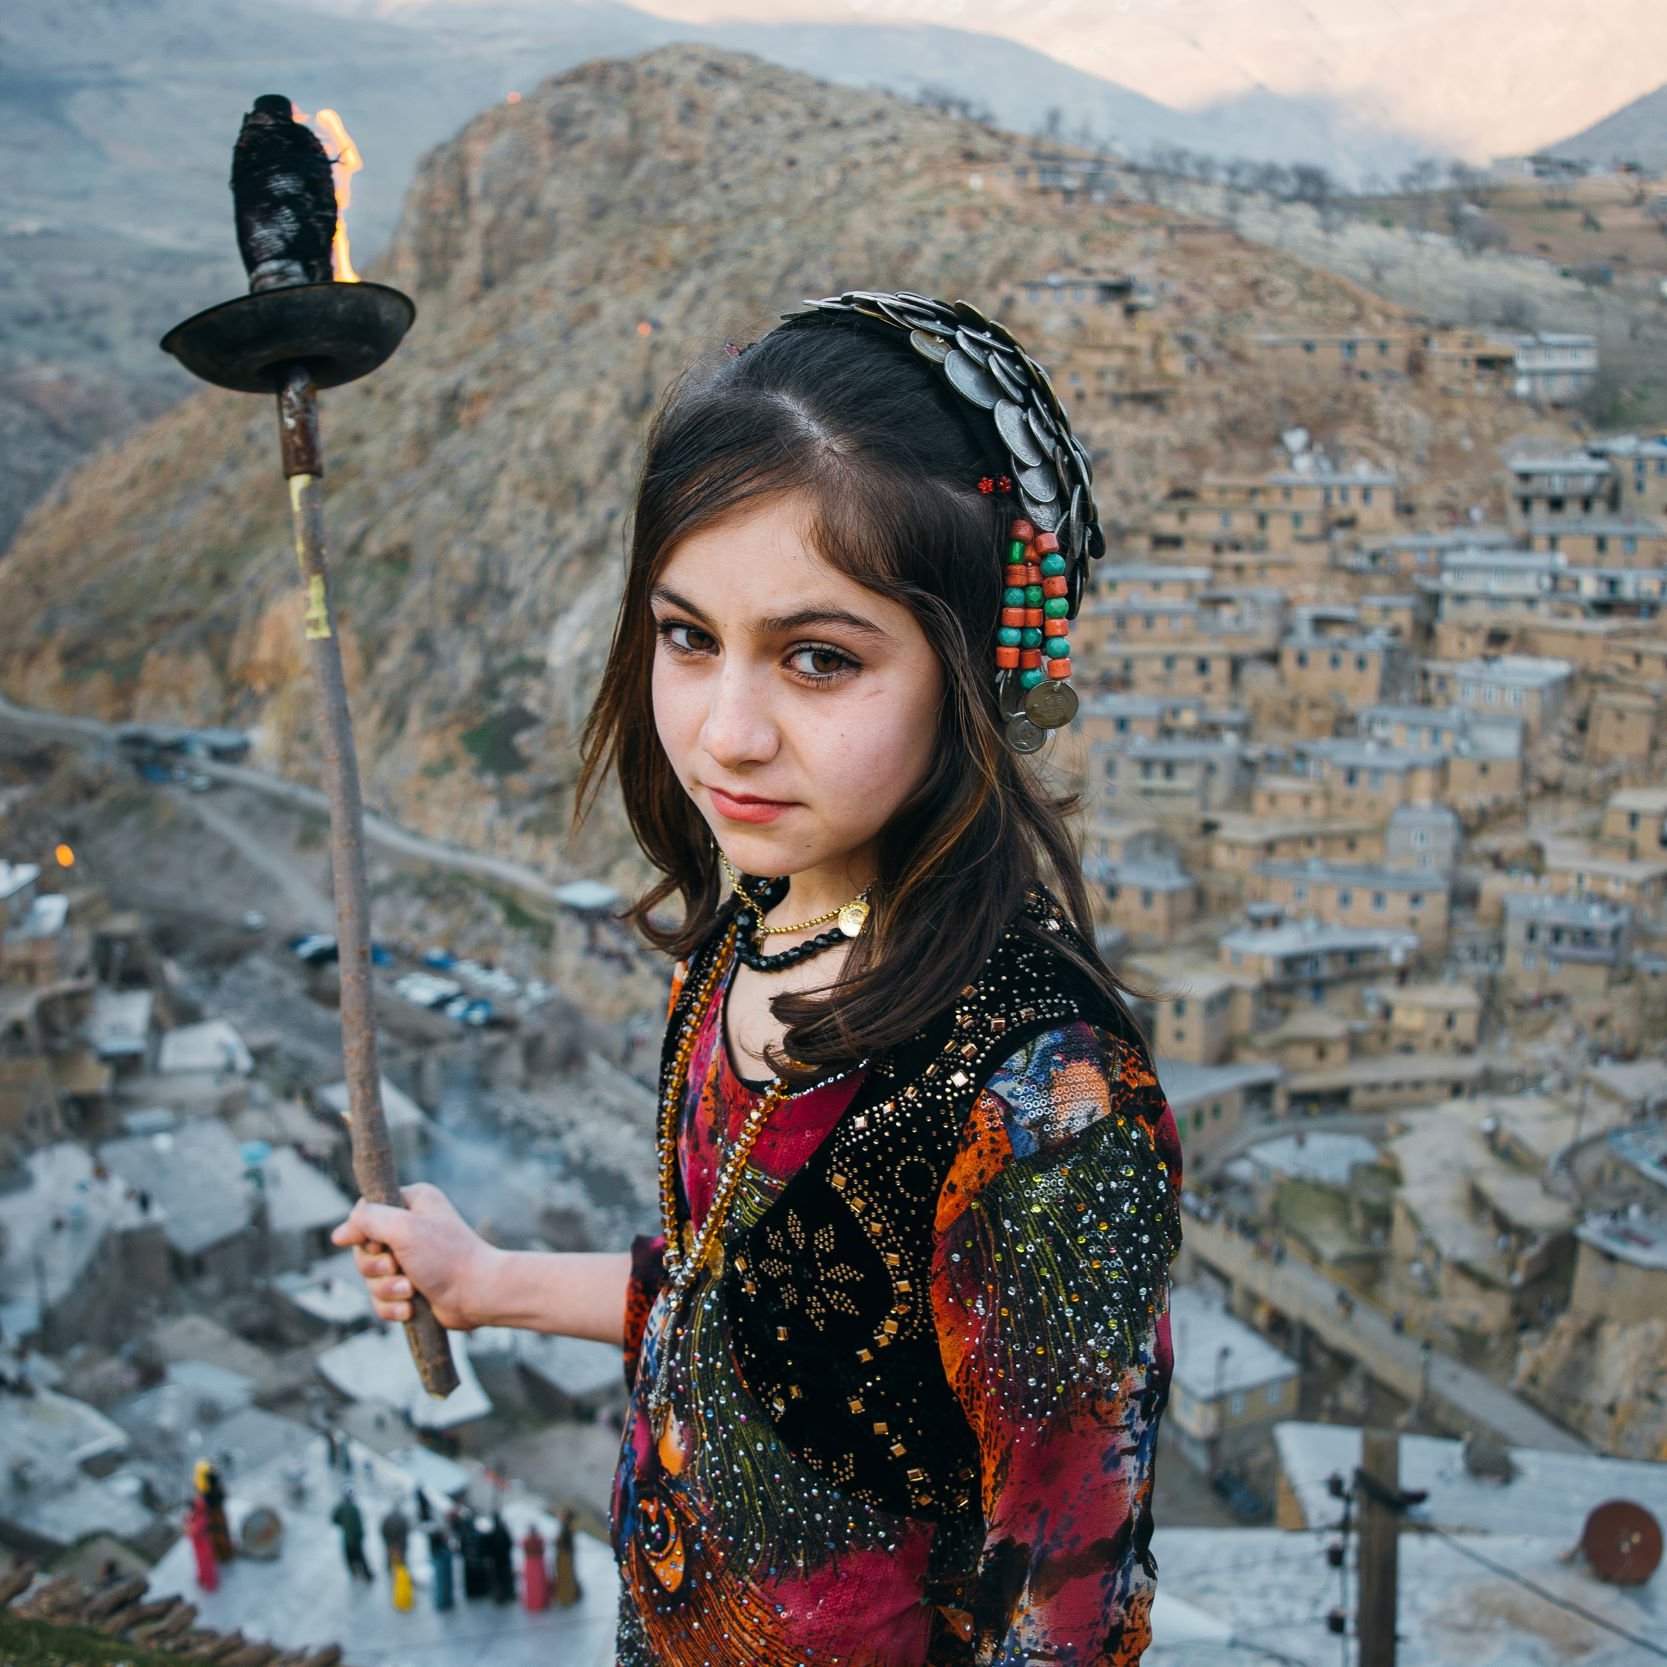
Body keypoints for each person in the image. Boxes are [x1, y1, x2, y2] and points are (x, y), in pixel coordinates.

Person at [332, 289, 1184, 1665]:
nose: (726, 731)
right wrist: (483, 1278)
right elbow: (734, 1303)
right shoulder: (750, 935)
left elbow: (1065, 1605)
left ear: (975, 664)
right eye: (686, 636)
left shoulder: (1040, 1108)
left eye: (817, 657)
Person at [330, 1486, 373, 1583]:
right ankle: (367, 1575)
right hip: (356, 1539)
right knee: (361, 1558)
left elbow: (334, 1520)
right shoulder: (354, 1509)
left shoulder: (341, 1508)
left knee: (349, 1558)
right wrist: (361, 1536)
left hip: (347, 1539)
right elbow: (359, 1525)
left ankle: (354, 1572)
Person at [184, 1494, 219, 1592]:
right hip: (199, 1546)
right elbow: (190, 1522)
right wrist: (187, 1521)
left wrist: (188, 1526)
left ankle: (210, 1584)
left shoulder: (202, 1518)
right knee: (201, 1564)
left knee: (206, 1564)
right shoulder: (197, 1514)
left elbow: (193, 1531)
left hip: (203, 1546)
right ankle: (203, 1579)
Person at [552, 1508, 581, 1609]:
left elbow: (564, 1542)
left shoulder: (567, 1527)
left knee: (566, 1577)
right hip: (565, 1555)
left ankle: (567, 1597)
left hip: (565, 1556)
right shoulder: (566, 1526)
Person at [427, 1520, 456, 1612]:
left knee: (442, 1580)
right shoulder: (437, 1537)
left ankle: (443, 1601)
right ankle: (443, 1601)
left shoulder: (436, 1536)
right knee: (442, 1581)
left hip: (440, 1556)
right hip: (440, 1556)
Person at [520, 1521, 549, 1610]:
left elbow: (524, 1550)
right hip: (538, 1562)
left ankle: (533, 1603)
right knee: (538, 1583)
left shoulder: (526, 1540)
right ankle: (540, 1602)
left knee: (532, 1584)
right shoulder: (539, 1539)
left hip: (530, 1563)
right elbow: (542, 1550)